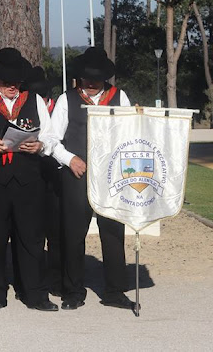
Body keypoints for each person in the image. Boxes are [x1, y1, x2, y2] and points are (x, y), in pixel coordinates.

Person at [0, 48, 58, 312]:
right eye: (6, 81)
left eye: (16, 81)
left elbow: (51, 135)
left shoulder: (34, 100)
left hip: (29, 179)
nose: (11, 86)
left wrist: (41, 145)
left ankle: (34, 293)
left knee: (31, 237)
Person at [47, 47, 134, 310]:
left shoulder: (120, 97)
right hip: (77, 173)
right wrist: (69, 159)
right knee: (73, 234)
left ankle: (114, 291)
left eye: (96, 77)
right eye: (87, 77)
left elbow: (130, 133)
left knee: (113, 232)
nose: (92, 82)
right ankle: (73, 291)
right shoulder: (66, 99)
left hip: (110, 177)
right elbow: (51, 140)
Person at [23, 66, 62, 297]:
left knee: (56, 232)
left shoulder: (56, 110)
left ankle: (56, 278)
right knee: (34, 231)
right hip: (33, 175)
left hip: (56, 177)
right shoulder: (27, 108)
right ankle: (35, 277)